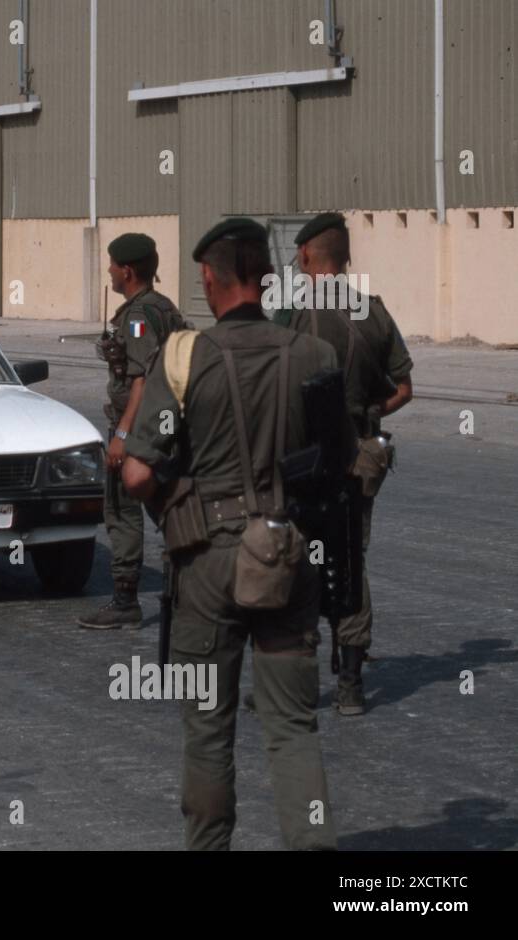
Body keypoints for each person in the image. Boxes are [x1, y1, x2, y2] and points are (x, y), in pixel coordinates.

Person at [121, 218, 348, 850]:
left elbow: (138, 471)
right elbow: (339, 466)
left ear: (209, 279)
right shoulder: (315, 355)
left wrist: (176, 510)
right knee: (293, 728)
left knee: (208, 730)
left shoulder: (184, 355)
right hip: (286, 555)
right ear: (266, 280)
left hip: (207, 564)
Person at [275, 212, 414, 716]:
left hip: (307, 462)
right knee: (350, 561)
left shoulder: (290, 312)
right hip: (359, 458)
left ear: (309, 255)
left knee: (301, 563)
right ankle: (352, 684)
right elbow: (403, 387)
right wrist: (365, 413)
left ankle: (296, 681)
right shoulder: (373, 312)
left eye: (298, 255)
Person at [79, 233, 188, 629]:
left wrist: (122, 435)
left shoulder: (139, 318)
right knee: (169, 506)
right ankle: (187, 588)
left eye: (111, 264)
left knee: (122, 509)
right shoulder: (164, 308)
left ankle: (126, 601)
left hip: (141, 429)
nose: (108, 270)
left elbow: (141, 379)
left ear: (126, 270)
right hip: (167, 427)